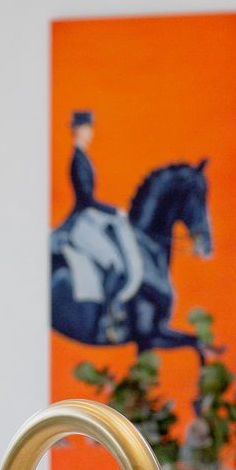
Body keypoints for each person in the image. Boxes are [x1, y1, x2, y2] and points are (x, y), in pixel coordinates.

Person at [60, 111, 141, 342]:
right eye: (86, 128)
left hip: (90, 217)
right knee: (113, 263)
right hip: (81, 221)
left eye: (90, 128)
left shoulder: (84, 157)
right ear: (76, 130)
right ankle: (108, 317)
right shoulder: (77, 159)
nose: (90, 133)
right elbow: (86, 198)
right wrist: (114, 211)